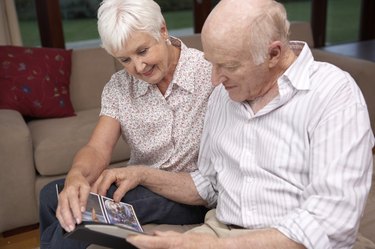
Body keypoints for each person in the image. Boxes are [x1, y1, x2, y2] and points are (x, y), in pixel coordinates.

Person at [86, 0, 374, 248]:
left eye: (229, 66)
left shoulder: (333, 94)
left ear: (273, 53)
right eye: (212, 63)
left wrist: (217, 246)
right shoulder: (225, 96)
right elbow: (207, 185)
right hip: (220, 230)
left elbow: (330, 224)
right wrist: (142, 174)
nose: (214, 80)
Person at [38, 0, 214, 248]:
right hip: (136, 183)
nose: (139, 67)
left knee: (81, 212)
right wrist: (76, 175)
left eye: (143, 51)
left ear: (162, 30)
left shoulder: (209, 74)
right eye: (125, 59)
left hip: (185, 193)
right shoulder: (118, 87)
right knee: (51, 195)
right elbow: (98, 149)